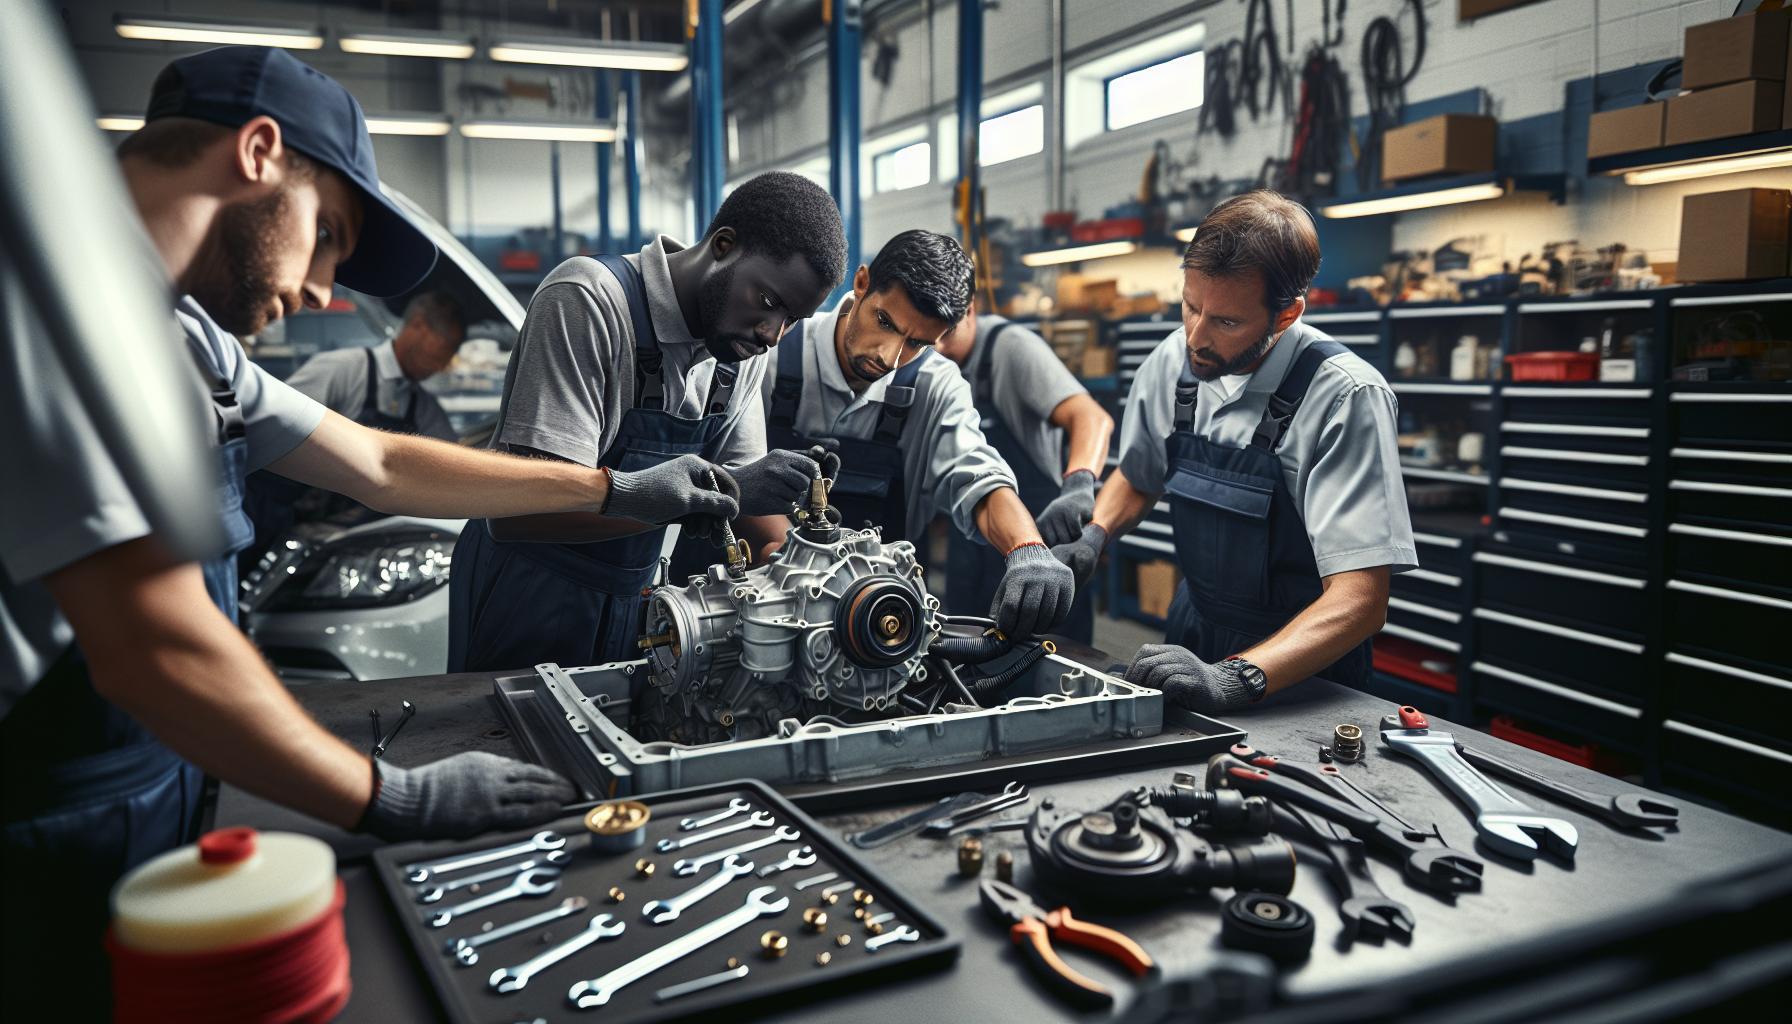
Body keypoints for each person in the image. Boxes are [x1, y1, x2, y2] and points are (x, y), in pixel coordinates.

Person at [0, 46, 731, 1015]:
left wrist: (615, 486)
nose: (322, 290)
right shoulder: (52, 315)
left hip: (149, 785)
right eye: (329, 235)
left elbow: (380, 464)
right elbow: (153, 651)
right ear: (259, 152)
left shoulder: (184, 338)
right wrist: (394, 795)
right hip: (42, 812)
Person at [448, 172, 846, 674]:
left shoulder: (741, 350)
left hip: (634, 601)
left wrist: (808, 561)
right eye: (768, 302)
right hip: (524, 594)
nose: (772, 334)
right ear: (724, 246)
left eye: (792, 320)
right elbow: (522, 511)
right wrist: (682, 501)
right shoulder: (588, 302)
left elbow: (745, 500)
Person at [1052, 191, 1414, 711]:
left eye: (1225, 322)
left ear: (1286, 315)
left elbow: (1360, 600)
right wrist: (1095, 535)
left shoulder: (1345, 398)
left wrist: (1236, 678)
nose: (1195, 336)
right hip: (1193, 632)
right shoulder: (1173, 361)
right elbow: (1139, 475)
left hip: (1303, 666)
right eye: (1190, 305)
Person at [746, 229, 1077, 639]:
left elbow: (977, 474)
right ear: (862, 284)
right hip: (753, 609)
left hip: (874, 626)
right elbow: (732, 469)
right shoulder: (771, 354)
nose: (889, 356)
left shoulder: (936, 384)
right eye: (884, 321)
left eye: (916, 343)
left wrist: (1027, 549)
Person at [933, 306, 1113, 642]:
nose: (937, 348)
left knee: (1041, 661)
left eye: (947, 334)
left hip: (1040, 530)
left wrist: (1077, 483)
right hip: (972, 538)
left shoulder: (1011, 347)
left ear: (970, 311)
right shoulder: (936, 363)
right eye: (929, 337)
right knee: (964, 657)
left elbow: (1091, 417)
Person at [285, 289, 468, 442]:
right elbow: (280, 426)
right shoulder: (341, 369)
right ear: (418, 325)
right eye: (446, 346)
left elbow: (451, 455)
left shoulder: (425, 408)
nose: (444, 363)